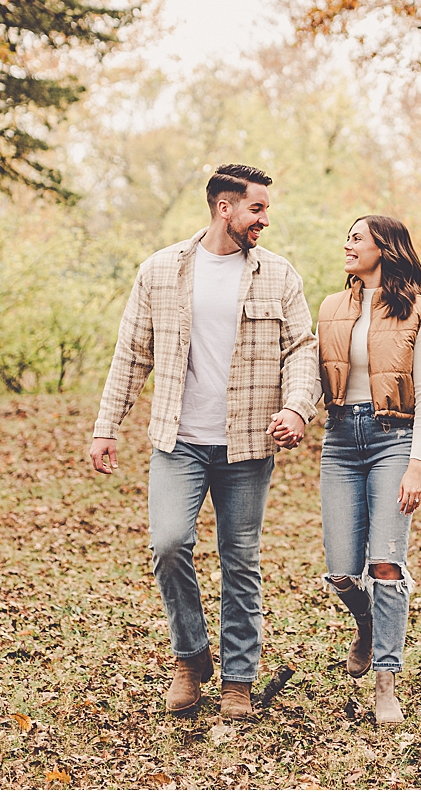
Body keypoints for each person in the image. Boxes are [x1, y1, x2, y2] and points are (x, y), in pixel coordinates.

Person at [88, 163, 320, 720]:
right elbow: (132, 352)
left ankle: (239, 678)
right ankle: (191, 658)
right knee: (169, 544)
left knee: (240, 560)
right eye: (257, 208)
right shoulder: (161, 270)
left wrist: (296, 407)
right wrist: (106, 426)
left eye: (266, 208)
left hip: (246, 444)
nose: (265, 217)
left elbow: (302, 350)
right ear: (225, 208)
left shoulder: (279, 275)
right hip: (179, 439)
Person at [316, 214, 421, 727]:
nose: (347, 245)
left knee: (385, 565)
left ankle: (386, 681)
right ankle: (366, 626)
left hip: (394, 440)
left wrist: (416, 466)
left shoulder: (417, 310)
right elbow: (308, 370)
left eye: (357, 238)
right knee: (343, 570)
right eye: (346, 236)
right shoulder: (329, 307)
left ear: (384, 249)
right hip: (341, 438)